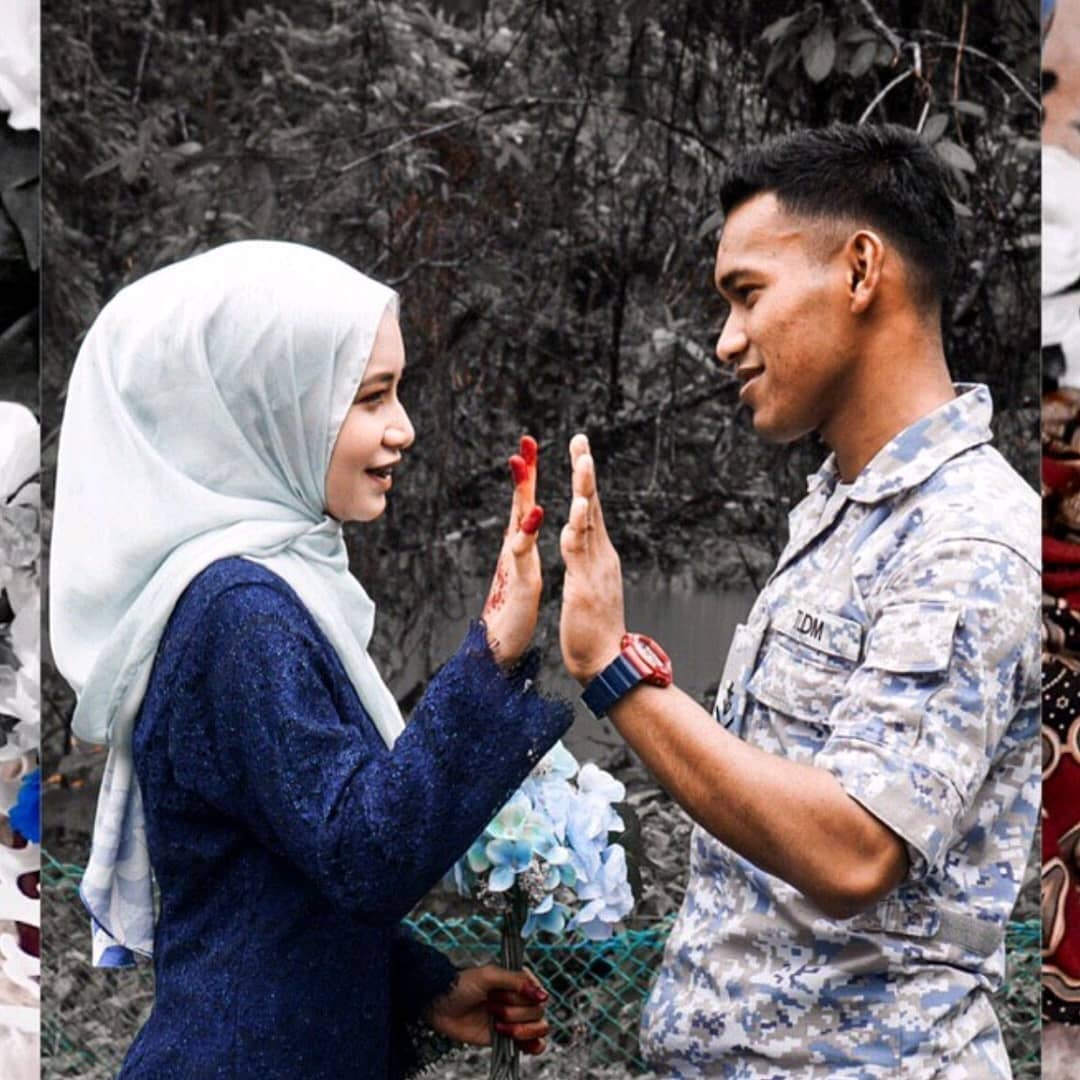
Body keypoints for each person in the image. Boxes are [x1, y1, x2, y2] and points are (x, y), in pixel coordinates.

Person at [557, 124, 1039, 1076]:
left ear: (860, 271)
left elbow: (853, 848)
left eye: (749, 293)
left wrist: (615, 670)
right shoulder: (844, 509)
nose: (725, 339)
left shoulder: (969, 538)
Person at [48, 241, 572, 1078]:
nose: (404, 428)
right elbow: (365, 854)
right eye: (371, 397)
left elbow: (275, 886)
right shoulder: (240, 616)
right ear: (266, 409)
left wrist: (420, 988)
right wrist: (491, 656)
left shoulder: (261, 592)